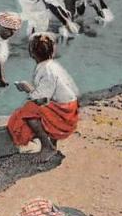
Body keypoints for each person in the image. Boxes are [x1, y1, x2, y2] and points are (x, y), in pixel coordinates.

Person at [7, 34, 80, 163]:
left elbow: (41, 96)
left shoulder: (46, 70)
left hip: (65, 112)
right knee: (36, 107)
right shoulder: (52, 65)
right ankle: (52, 144)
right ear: (52, 51)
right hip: (69, 106)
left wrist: (26, 88)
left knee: (27, 111)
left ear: (31, 53)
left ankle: (47, 147)